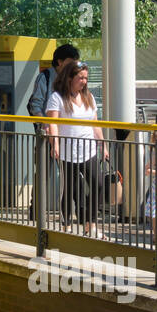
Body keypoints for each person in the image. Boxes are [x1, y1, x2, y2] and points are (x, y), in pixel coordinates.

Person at [46, 59, 109, 238]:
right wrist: (55, 144)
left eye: (86, 78)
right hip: (68, 151)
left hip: (88, 149)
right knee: (70, 188)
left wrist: (102, 144)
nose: (84, 81)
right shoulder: (57, 98)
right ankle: (67, 224)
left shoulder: (89, 97)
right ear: (69, 78)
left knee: (97, 184)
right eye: (80, 78)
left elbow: (95, 123)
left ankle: (91, 223)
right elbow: (53, 123)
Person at [28, 44, 80, 219]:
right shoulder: (45, 77)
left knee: (71, 174)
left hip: (67, 136)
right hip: (46, 136)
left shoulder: (73, 79)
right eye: (70, 62)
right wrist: (45, 126)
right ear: (59, 62)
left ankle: (77, 212)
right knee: (43, 172)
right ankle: (35, 212)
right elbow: (35, 104)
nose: (74, 67)